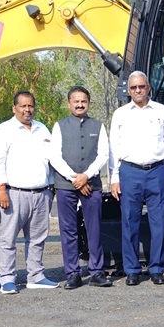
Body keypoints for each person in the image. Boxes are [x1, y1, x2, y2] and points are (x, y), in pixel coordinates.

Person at [110, 71, 164, 285]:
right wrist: (114, 177)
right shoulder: (120, 114)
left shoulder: (162, 111)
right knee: (130, 222)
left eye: (141, 86)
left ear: (148, 87)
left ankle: (157, 269)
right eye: (133, 88)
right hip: (129, 172)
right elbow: (114, 148)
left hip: (157, 171)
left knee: (159, 222)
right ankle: (132, 270)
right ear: (128, 91)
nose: (137, 90)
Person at [0, 91, 57, 293]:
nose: (27, 110)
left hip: (41, 192)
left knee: (38, 238)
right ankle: (7, 279)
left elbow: (51, 159)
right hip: (13, 193)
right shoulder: (4, 130)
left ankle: (36, 276)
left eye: (30, 106)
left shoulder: (42, 129)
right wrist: (0, 188)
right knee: (8, 238)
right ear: (14, 108)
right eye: (23, 106)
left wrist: (51, 185)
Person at [49, 87, 112, 289]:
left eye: (83, 101)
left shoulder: (98, 126)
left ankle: (96, 272)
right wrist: (74, 178)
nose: (79, 105)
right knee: (68, 230)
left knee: (94, 229)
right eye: (75, 101)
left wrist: (86, 176)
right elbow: (54, 156)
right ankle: (73, 273)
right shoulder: (59, 126)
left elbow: (103, 155)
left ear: (88, 103)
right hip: (66, 185)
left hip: (91, 184)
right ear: (69, 103)